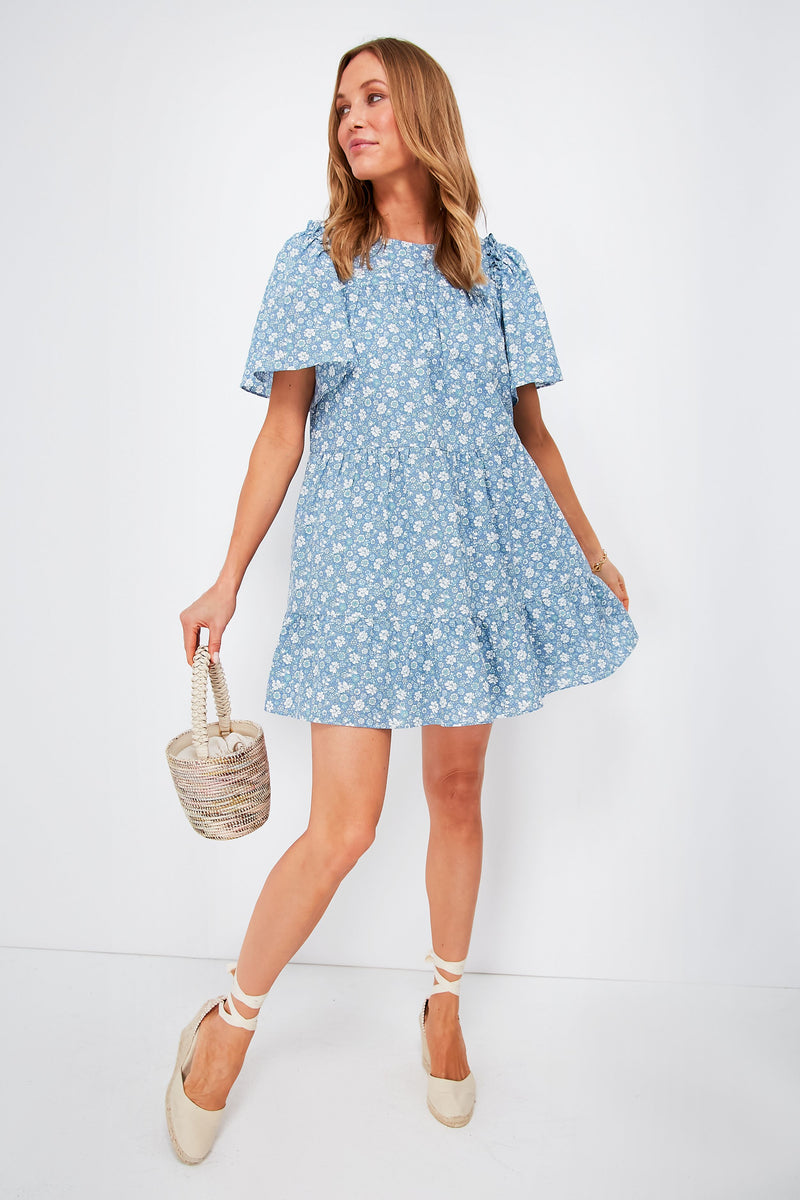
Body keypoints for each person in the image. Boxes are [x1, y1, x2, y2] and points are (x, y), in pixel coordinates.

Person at [165, 36, 639, 1163]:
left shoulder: (496, 272)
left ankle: (441, 1004)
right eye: (339, 106)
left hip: (466, 568)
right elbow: (281, 428)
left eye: (371, 97)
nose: (349, 121)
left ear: (421, 108)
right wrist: (227, 574)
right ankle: (229, 1023)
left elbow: (531, 436)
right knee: (342, 829)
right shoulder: (318, 258)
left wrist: (588, 546)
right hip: (355, 572)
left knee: (459, 789)